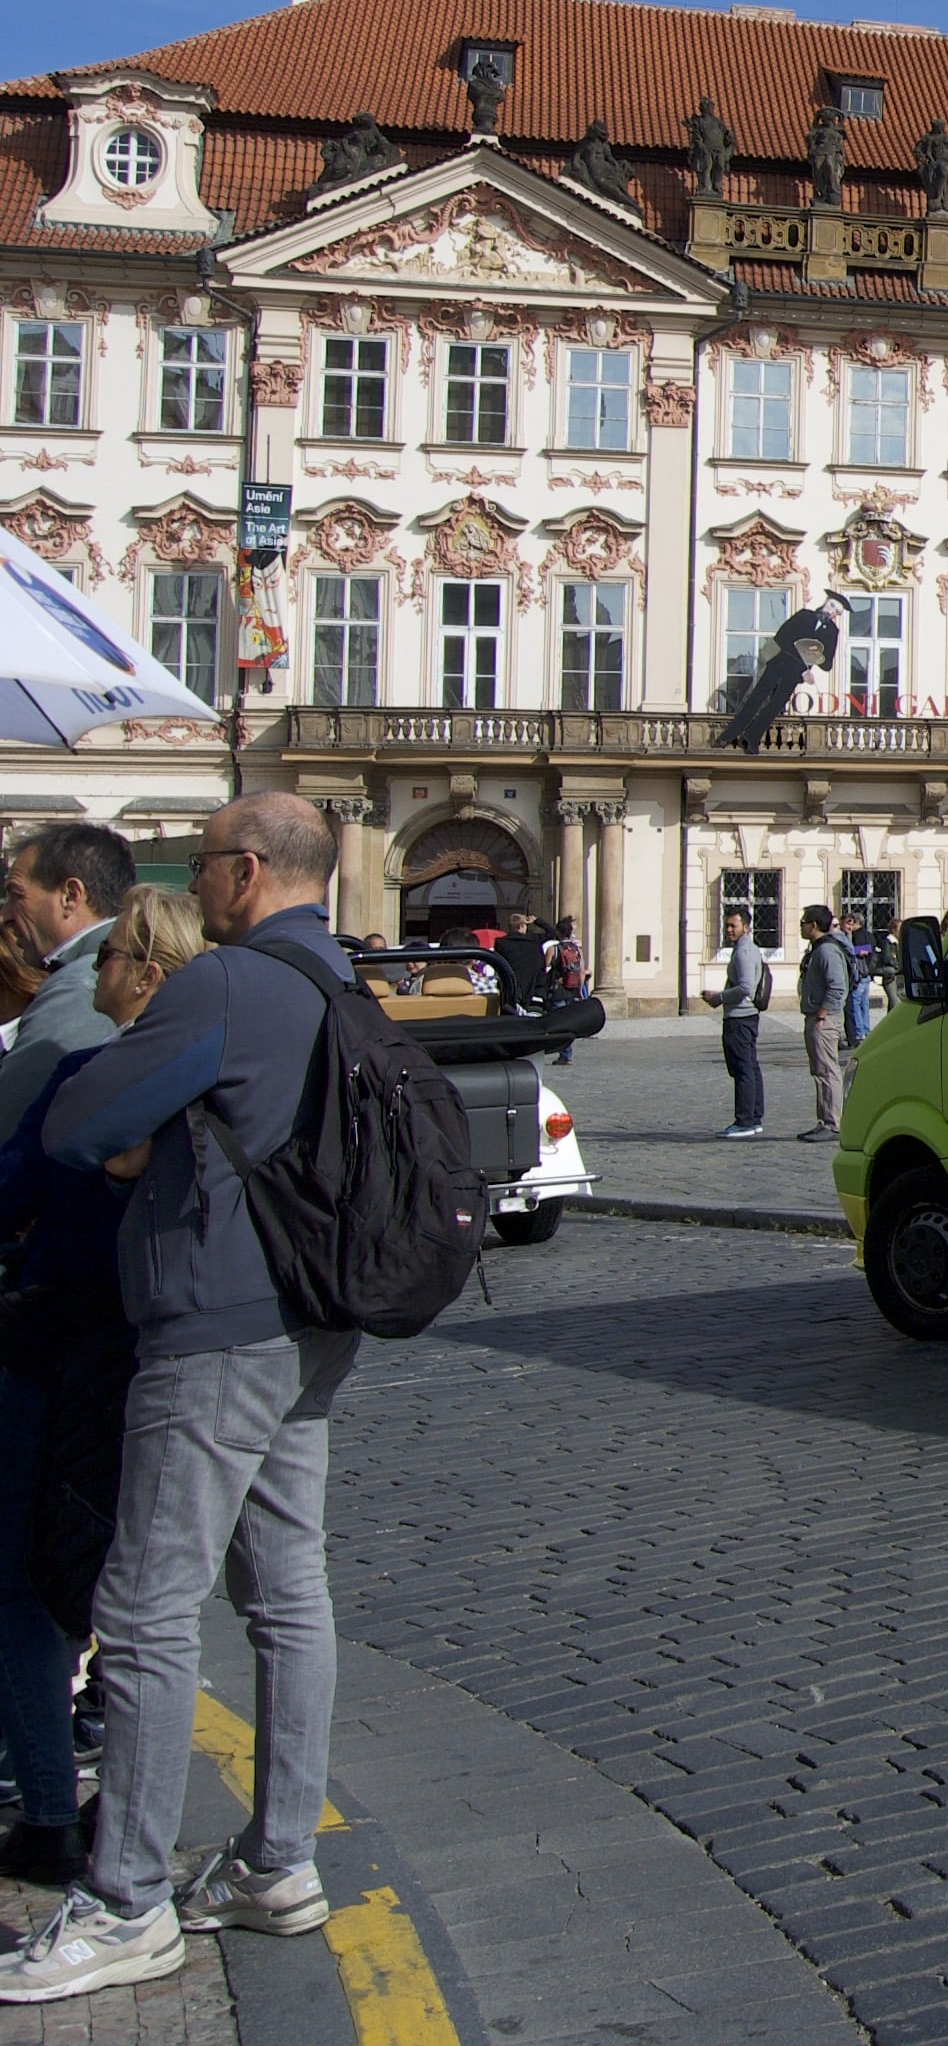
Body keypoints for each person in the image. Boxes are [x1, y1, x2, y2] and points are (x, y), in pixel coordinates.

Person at [0, 797, 361, 2002]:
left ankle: (126, 1900)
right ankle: (279, 1861)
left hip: (211, 1320)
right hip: (311, 1316)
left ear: (245, 871)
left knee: (146, 1606)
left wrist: (135, 1145)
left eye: (203, 864)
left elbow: (78, 1121)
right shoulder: (338, 978)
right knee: (287, 1592)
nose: (194, 884)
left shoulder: (225, 984)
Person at [0, 884, 202, 1888]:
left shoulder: (88, 1075)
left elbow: (13, 1187)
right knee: (143, 1589)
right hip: (170, 1352)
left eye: (110, 957)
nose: (94, 973)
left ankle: (49, 1809)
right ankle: (120, 1803)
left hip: (60, 1347)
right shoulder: (214, 1090)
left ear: (145, 975)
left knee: (26, 1583)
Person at [0, 827, 133, 1141]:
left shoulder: (84, 983)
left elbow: (11, 1112)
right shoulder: (102, 970)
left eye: (16, 895)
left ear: (71, 896)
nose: (4, 915)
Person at [796, 906, 853, 1142]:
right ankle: (824, 1120)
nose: (801, 926)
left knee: (828, 1071)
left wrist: (822, 1014)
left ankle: (833, 1123)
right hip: (817, 1016)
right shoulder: (817, 949)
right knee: (819, 1070)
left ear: (814, 925)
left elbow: (837, 986)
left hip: (825, 1020)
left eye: (803, 922)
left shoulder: (827, 951)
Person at [712, 905, 769, 1142]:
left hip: (740, 1017)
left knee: (743, 1069)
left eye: (733, 925)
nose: (729, 930)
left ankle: (744, 1120)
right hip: (745, 1016)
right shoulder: (748, 949)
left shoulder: (744, 952)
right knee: (750, 1067)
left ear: (745, 927)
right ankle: (753, 1117)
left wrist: (719, 997)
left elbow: (746, 987)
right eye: (727, 925)